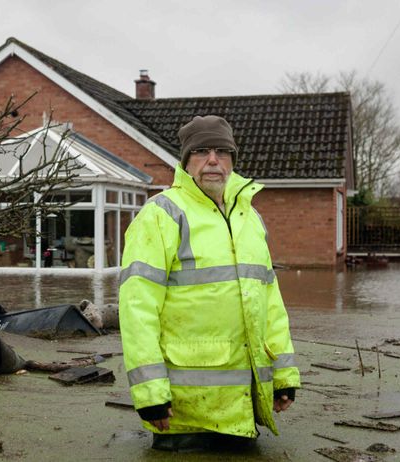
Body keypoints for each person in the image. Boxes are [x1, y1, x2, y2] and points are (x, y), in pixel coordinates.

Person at [118, 115, 300, 451]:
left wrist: (283, 375)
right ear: (186, 162)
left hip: (243, 417)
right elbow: (137, 309)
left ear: (233, 159)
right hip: (181, 419)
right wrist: (149, 393)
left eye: (222, 151)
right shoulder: (161, 215)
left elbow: (270, 304)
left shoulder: (249, 218)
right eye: (201, 151)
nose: (213, 160)